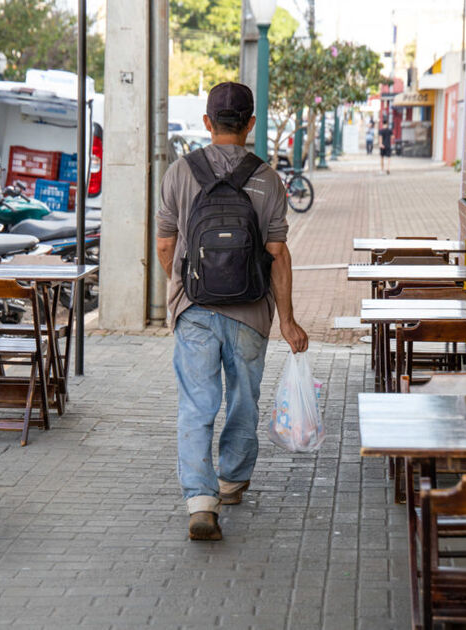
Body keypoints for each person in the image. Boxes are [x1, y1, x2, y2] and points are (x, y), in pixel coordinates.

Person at [155, 82, 310, 541]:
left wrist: (182, 287)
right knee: (243, 399)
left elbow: (165, 244)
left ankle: (201, 502)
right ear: (251, 124)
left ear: (207, 122)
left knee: (197, 402)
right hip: (251, 311)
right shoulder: (268, 178)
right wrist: (288, 320)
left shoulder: (179, 172)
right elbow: (277, 253)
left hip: (195, 310)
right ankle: (233, 480)